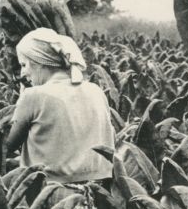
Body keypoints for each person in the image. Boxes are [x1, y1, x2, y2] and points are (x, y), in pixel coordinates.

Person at [7, 27, 115, 184]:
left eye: (24, 65)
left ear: (39, 63)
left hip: (52, 193)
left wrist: (21, 99)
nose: (23, 74)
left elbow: (7, 145)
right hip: (99, 192)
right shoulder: (96, 90)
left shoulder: (35, 95)